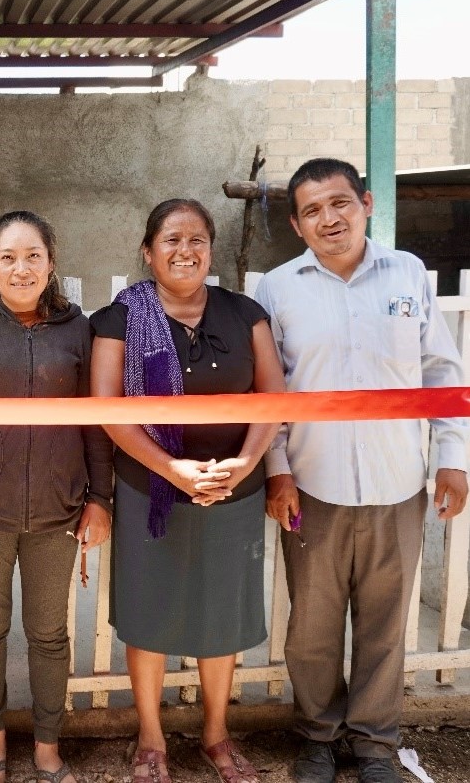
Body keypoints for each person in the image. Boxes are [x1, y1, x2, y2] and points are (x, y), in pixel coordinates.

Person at [254, 158, 468, 783]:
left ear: (366, 204)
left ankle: (375, 744)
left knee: (383, 624)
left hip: (398, 482)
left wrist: (451, 459)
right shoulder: (278, 287)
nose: (330, 218)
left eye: (340, 203)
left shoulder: (407, 274)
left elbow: (441, 371)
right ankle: (317, 737)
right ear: (297, 224)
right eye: (314, 210)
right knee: (311, 630)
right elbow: (272, 389)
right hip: (312, 486)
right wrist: (278, 470)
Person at [90, 199, 285, 783]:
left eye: (197, 239)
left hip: (234, 490)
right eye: (171, 240)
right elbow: (108, 413)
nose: (185, 250)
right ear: (148, 252)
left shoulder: (244, 313)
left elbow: (272, 398)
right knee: (151, 612)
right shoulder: (118, 319)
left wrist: (245, 463)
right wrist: (172, 470)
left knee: (220, 615)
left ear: (211, 250)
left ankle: (216, 735)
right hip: (149, 488)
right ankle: (151, 738)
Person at [0, 210, 113, 783]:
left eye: (33, 255)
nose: (21, 267)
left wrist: (99, 498)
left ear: (51, 262)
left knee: (49, 634)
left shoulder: (78, 331)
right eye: (7, 257)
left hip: (58, 511)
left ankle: (47, 746)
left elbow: (96, 424)